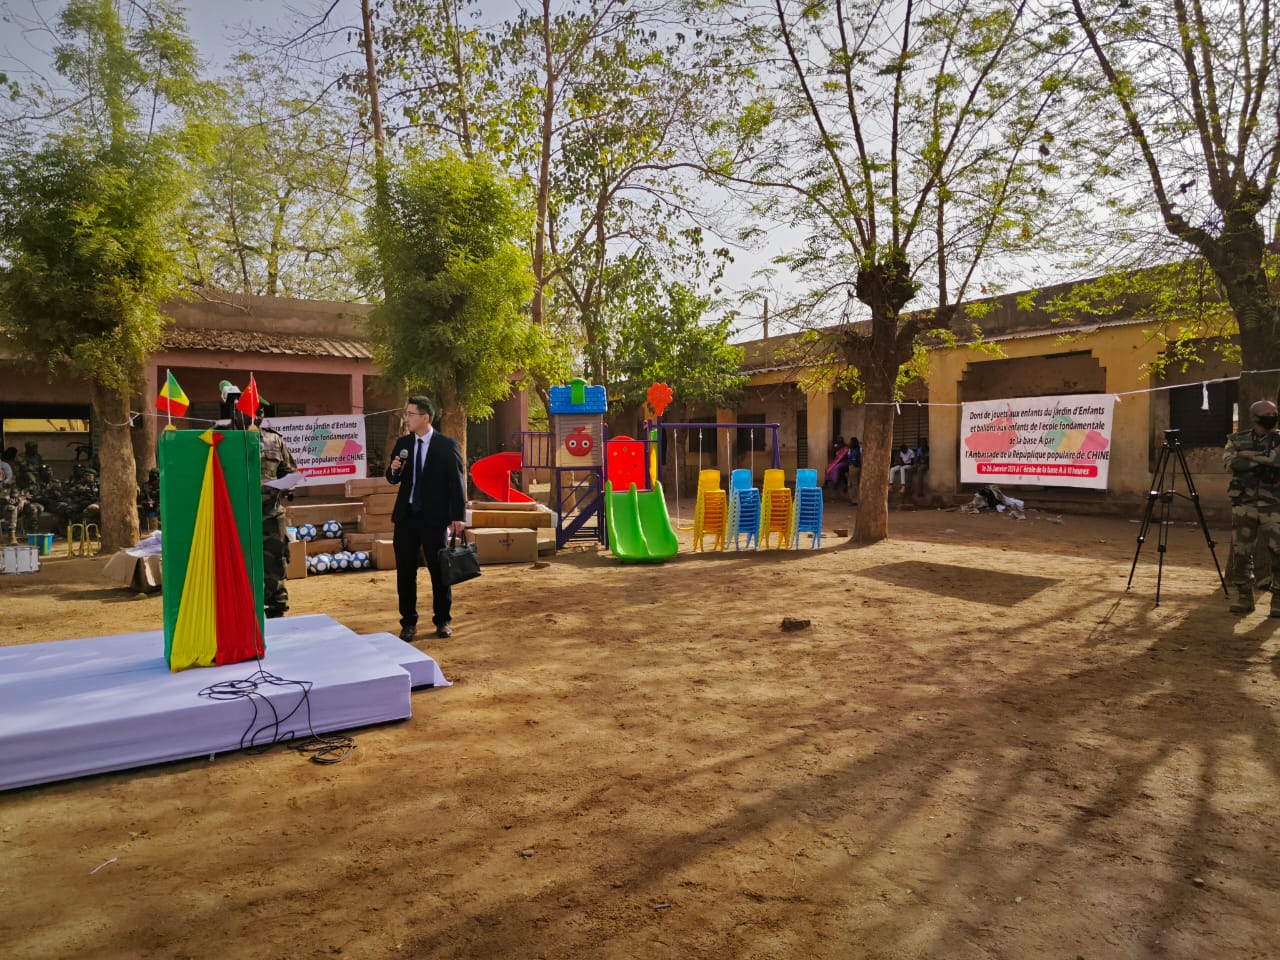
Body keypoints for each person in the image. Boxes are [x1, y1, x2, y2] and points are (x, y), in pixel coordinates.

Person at [386, 395, 467, 642]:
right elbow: (392, 478)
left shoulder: (446, 445)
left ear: (425, 417)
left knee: (439, 571)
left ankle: (442, 620)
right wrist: (394, 469)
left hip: (434, 518)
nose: (406, 418)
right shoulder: (403, 444)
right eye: (405, 414)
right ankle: (408, 622)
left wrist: (458, 517)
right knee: (405, 573)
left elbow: (457, 483)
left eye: (410, 414)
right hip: (406, 517)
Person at [223, 387, 298, 619]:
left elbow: (289, 472)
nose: (257, 415)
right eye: (249, 410)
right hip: (234, 516)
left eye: (259, 411)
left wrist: (285, 485)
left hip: (270, 516)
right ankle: (238, 612)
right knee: (234, 566)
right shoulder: (221, 439)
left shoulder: (275, 441)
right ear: (235, 412)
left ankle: (276, 609)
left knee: (275, 565)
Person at [1223, 399, 1280, 615]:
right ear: (1255, 417)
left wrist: (1248, 456)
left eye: (1275, 412)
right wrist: (1265, 458)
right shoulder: (1237, 439)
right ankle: (1244, 597)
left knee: (1278, 552)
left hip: (1274, 504)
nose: (1273, 416)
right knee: (1242, 552)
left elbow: (1279, 460)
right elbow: (1230, 463)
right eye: (1268, 413)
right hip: (1244, 504)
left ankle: (1278, 599)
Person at [845, 437, 862, 503]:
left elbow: (854, 460)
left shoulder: (855, 450)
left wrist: (852, 465)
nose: (849, 443)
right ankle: (853, 499)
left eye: (850, 442)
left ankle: (855, 500)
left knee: (853, 484)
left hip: (853, 468)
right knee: (851, 484)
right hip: (853, 467)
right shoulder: (853, 450)